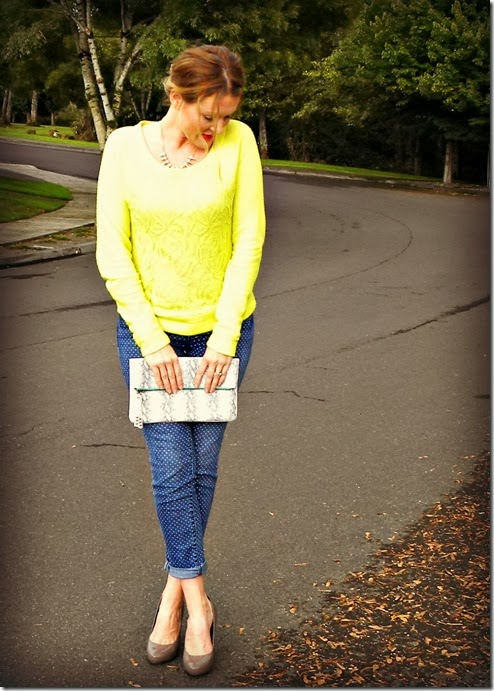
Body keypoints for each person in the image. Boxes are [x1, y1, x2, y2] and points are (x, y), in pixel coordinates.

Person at [95, 44, 265, 676]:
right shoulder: (122, 148)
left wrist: (223, 337)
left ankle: (172, 595)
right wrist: (153, 341)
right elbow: (113, 252)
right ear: (176, 96)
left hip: (223, 336)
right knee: (172, 469)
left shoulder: (240, 144)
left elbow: (249, 241)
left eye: (226, 115)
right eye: (207, 115)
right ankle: (196, 605)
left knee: (202, 469)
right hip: (149, 340)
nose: (216, 127)